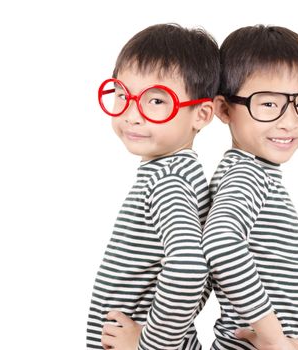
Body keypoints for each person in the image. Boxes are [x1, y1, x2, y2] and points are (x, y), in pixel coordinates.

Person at [87, 23, 220, 350]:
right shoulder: (174, 172)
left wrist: (147, 342)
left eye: (156, 101)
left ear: (201, 114)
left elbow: (189, 266)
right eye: (122, 94)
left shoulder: (168, 181)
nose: (132, 114)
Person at [201, 25, 298, 350]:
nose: (291, 122)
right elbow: (219, 243)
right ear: (224, 109)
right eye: (269, 105)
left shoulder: (256, 173)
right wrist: (274, 339)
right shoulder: (247, 175)